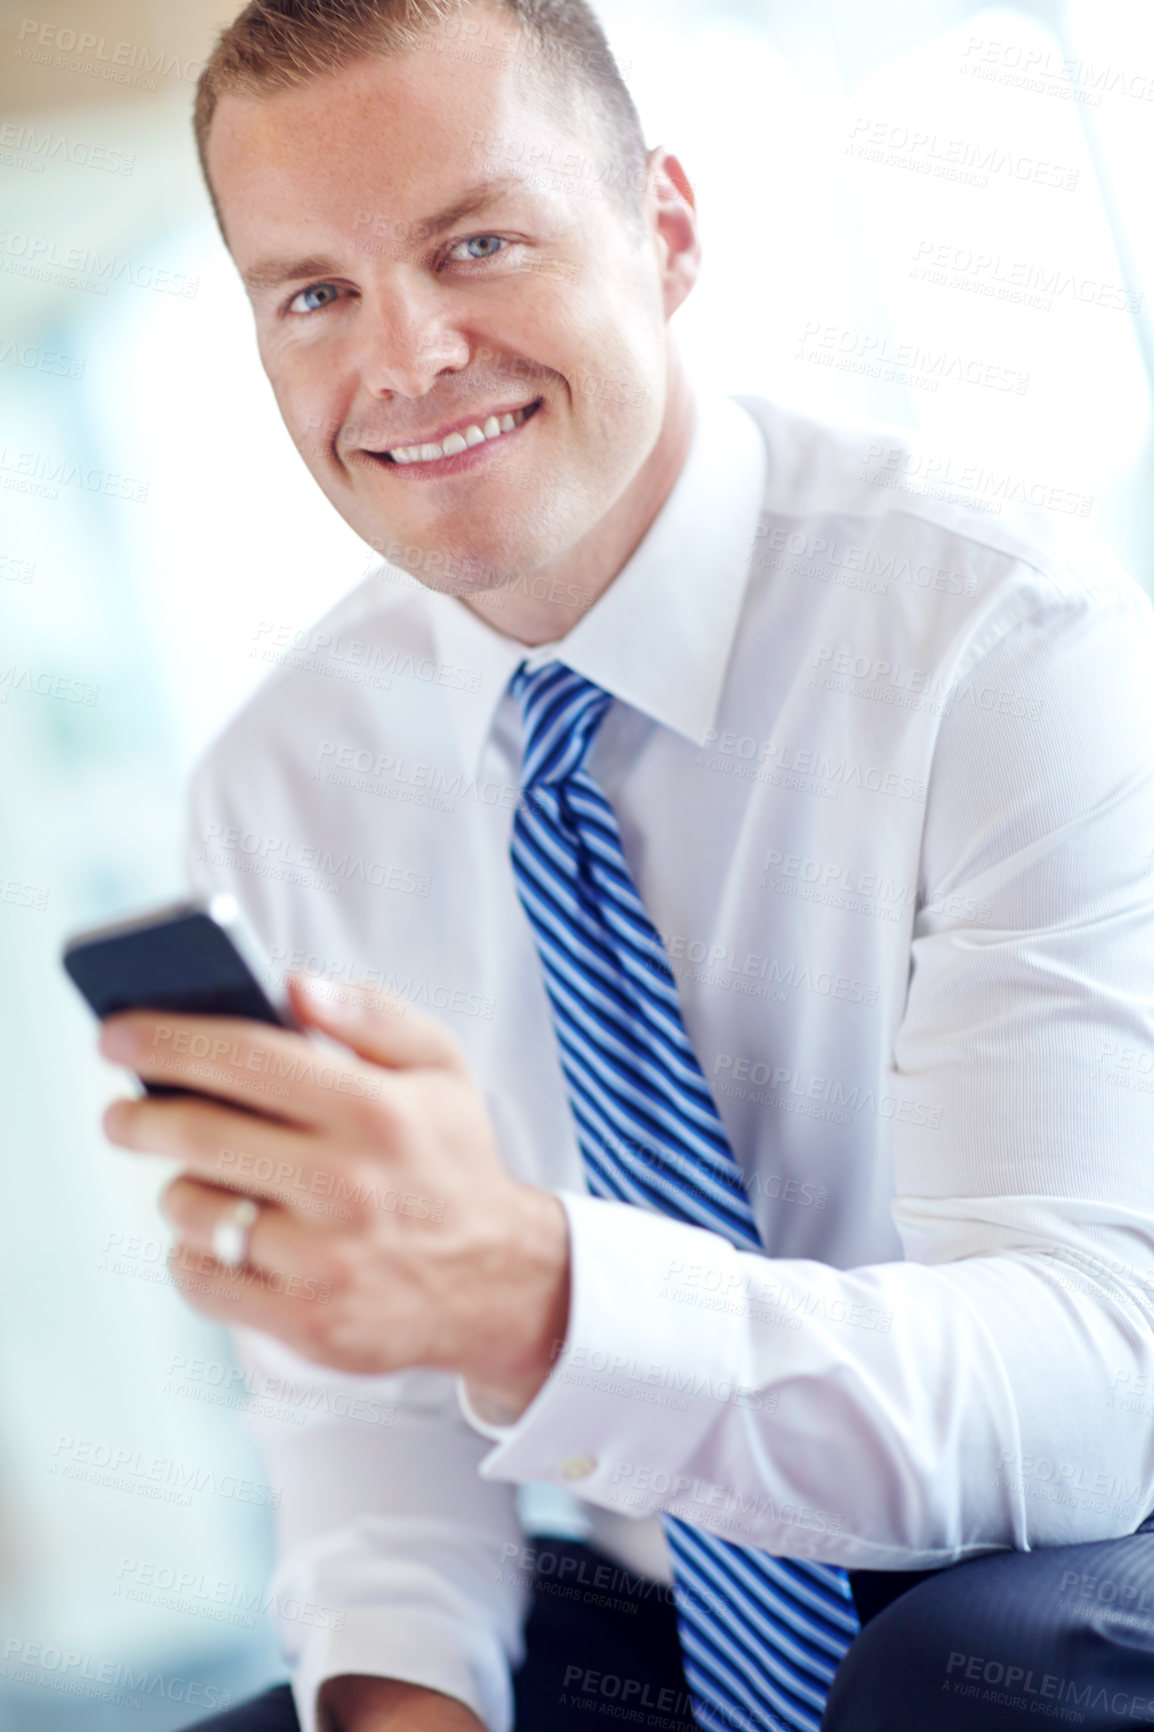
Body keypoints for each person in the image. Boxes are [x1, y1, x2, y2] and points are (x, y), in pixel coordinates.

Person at [94, 0, 1154, 1728]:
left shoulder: (998, 641)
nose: (407, 356)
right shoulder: (283, 785)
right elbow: (362, 1425)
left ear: (663, 231)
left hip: (1067, 1549)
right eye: (314, 294)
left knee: (964, 1686)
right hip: (664, 1587)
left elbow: (1086, 1401)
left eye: (478, 244)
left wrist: (531, 1293)